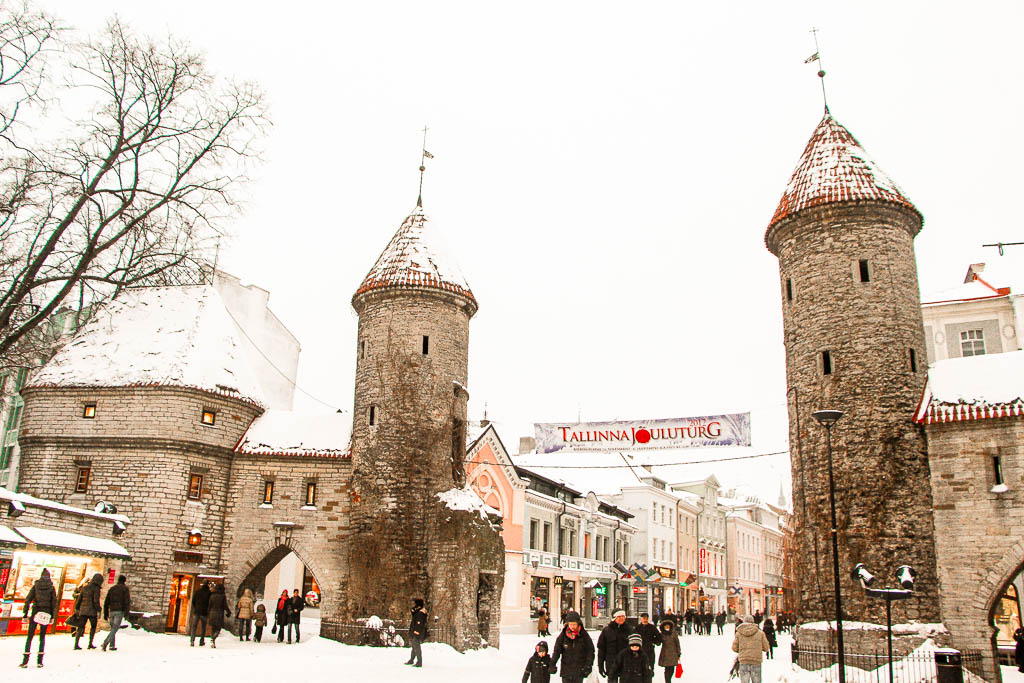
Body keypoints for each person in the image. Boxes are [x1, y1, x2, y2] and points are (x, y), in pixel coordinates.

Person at [19, 568, 56, 668]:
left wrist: (25, 614)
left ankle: (25, 660)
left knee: (30, 636)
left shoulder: (36, 586)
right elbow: (54, 603)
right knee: (42, 637)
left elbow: (28, 600)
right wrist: (52, 616)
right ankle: (40, 661)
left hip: (36, 611)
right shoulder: (51, 588)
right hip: (46, 612)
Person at [551, 610, 594, 683]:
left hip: (579, 670)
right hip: (566, 670)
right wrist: (552, 664)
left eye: (574, 624)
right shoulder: (563, 636)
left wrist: (588, 665)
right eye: (570, 624)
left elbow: (590, 651)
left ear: (578, 623)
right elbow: (557, 651)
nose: (572, 626)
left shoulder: (584, 635)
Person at [731, 614, 770, 683]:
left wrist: (742, 650)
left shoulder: (739, 633)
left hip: (743, 661)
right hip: (756, 661)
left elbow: (734, 648)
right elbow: (766, 648)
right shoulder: (760, 633)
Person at [597, 609, 632, 683]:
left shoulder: (630, 630)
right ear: (614, 618)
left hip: (627, 665)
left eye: (623, 616)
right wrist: (600, 666)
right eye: (619, 616)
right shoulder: (606, 631)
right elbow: (601, 650)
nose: (621, 618)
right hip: (611, 664)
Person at [102, 574, 131, 651]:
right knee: (115, 628)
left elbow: (106, 601)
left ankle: (112, 645)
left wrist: (105, 613)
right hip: (119, 611)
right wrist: (126, 613)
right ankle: (106, 642)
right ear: (124, 581)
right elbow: (127, 602)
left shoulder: (112, 589)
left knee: (113, 628)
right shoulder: (125, 589)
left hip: (111, 610)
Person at [75, 572, 103, 650]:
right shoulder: (96, 589)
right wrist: (99, 609)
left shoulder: (85, 587)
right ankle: (90, 643)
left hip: (83, 610)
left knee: (80, 627)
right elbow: (95, 601)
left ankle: (76, 643)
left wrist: (77, 608)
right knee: (93, 627)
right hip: (92, 611)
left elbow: (80, 599)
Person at [636, 613, 661, 682]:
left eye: (646, 618)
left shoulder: (652, 627)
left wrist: (654, 642)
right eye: (643, 618)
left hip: (650, 651)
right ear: (641, 619)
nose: (645, 619)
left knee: (650, 668)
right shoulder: (638, 628)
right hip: (639, 651)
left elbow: (658, 637)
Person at [207, 583, 231, 648]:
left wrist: (208, 613)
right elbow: (225, 605)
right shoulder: (222, 596)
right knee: (218, 628)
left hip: (212, 613)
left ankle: (212, 639)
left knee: (213, 628)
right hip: (219, 613)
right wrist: (228, 612)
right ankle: (213, 638)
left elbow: (209, 605)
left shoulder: (212, 595)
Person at [405, 598, 428, 667]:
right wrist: (413, 611)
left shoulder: (421, 613)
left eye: (415, 604)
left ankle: (419, 661)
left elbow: (419, 623)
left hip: (418, 631)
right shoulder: (418, 612)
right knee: (414, 645)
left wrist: (416, 632)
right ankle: (412, 659)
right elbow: (415, 617)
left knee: (416, 646)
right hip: (416, 631)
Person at [657, 618, 681, 683]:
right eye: (665, 626)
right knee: (667, 669)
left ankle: (668, 680)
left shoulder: (674, 633)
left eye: (668, 626)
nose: (667, 627)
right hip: (665, 653)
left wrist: (678, 653)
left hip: (673, 653)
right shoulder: (662, 634)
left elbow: (677, 643)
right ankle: (667, 681)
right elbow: (658, 643)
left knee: (672, 669)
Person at [189, 581, 212, 646]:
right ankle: (201, 641)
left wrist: (196, 608)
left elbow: (193, 601)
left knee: (194, 627)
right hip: (204, 613)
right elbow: (210, 603)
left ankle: (192, 640)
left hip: (197, 612)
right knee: (203, 627)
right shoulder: (209, 593)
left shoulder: (197, 591)